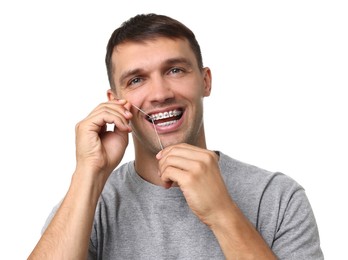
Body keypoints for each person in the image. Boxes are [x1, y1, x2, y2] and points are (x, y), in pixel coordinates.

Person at [28, 13, 323, 259]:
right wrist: (88, 174)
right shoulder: (88, 205)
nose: (160, 94)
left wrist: (222, 213)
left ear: (205, 81)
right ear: (115, 101)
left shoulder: (278, 198)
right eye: (136, 79)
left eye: (175, 70)